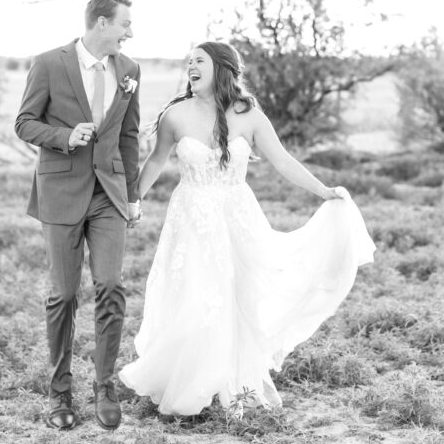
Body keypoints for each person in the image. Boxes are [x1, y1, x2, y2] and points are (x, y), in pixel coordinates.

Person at [119, 41, 375, 417]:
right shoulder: (175, 115)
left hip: (238, 216)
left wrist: (323, 191)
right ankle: (192, 381)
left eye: (199, 61)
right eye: (188, 62)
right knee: (197, 293)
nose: (191, 66)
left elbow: (282, 160)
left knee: (239, 294)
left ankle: (232, 383)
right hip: (191, 218)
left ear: (221, 69)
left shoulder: (248, 113)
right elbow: (155, 162)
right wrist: (132, 200)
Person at [15, 0, 141, 431]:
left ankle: (104, 387)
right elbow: (24, 122)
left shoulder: (129, 70)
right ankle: (59, 393)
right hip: (62, 191)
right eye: (126, 24)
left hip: (109, 193)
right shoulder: (50, 63)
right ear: (101, 23)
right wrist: (66, 136)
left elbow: (128, 136)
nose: (131, 32)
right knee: (64, 295)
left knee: (110, 284)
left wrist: (134, 195)